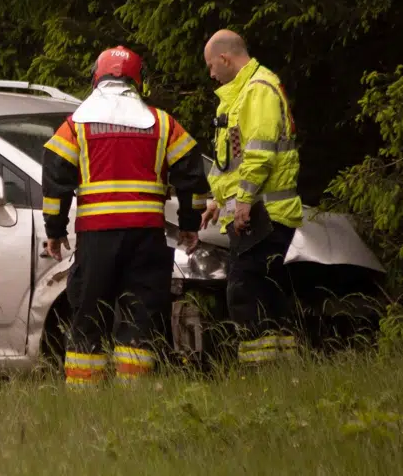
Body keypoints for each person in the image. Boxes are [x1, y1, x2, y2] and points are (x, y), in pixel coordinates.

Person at [41, 45, 209, 387]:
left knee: (88, 315)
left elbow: (56, 179)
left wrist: (55, 231)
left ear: (96, 78)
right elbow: (191, 176)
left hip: (96, 238)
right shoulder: (163, 123)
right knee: (140, 316)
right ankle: (135, 396)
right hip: (146, 238)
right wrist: (190, 226)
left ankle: (84, 395)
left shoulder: (75, 126)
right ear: (138, 81)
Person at [196, 29, 304, 366]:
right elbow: (229, 164)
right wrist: (217, 202)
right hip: (260, 212)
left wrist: (241, 203)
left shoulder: (257, 91)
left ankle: (259, 370)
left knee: (245, 290)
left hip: (263, 214)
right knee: (268, 291)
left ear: (226, 59)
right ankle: (281, 368)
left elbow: (259, 155)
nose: (211, 74)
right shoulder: (244, 94)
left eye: (212, 66)